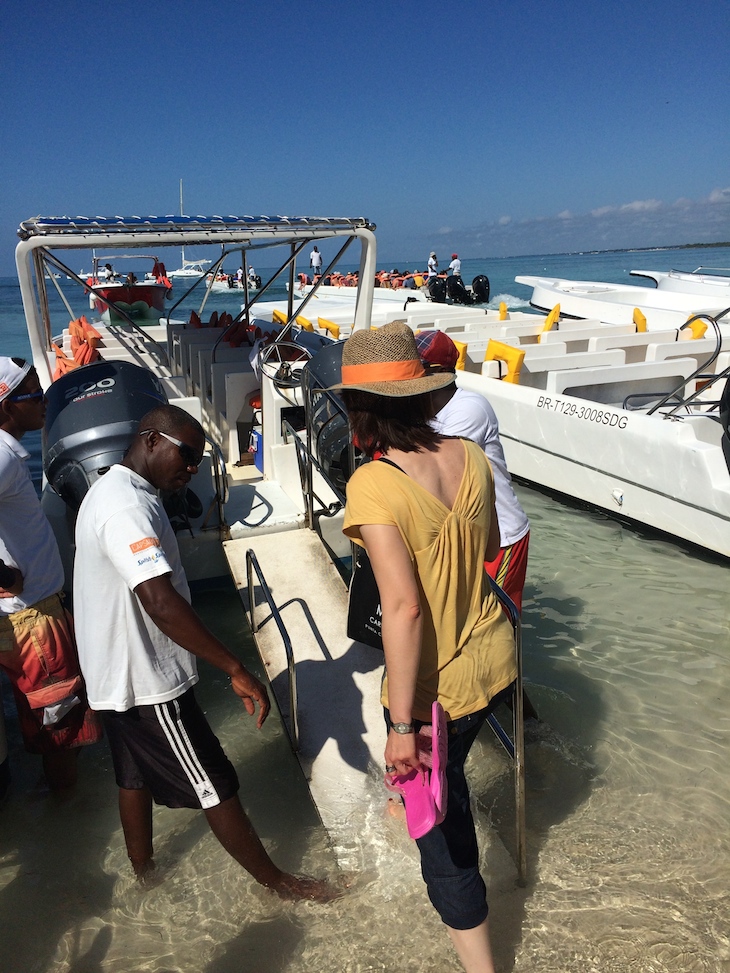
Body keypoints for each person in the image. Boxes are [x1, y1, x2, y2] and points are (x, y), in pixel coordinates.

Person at [73, 404, 334, 900]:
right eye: (187, 455)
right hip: (146, 680)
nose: (192, 470)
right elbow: (158, 600)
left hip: (113, 674)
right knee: (215, 780)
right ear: (151, 440)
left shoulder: (113, 489)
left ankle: (144, 873)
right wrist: (234, 667)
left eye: (198, 461)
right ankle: (280, 885)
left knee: (133, 774)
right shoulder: (125, 507)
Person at [335, 322, 517, 973]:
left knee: (445, 842)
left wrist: (402, 725)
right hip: (496, 659)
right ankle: (407, 796)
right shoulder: (468, 453)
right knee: (449, 775)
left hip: (436, 691)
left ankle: (482, 966)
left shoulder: (373, 484)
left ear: (361, 407)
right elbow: (491, 545)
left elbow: (404, 608)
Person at [0, 357, 102, 791]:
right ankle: (68, 815)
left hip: (33, 611)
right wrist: (3, 576)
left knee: (51, 715)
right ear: (6, 404)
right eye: (33, 394)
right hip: (32, 619)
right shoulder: (1, 457)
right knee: (61, 725)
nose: (43, 401)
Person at [413, 331, 530, 614]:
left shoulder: (469, 409)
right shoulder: (424, 409)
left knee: (496, 619)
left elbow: (437, 471)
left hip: (501, 536)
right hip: (468, 533)